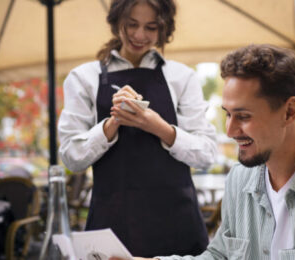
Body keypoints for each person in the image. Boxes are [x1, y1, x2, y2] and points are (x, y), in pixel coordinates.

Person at [121, 44, 295, 260]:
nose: (229, 130)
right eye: (227, 115)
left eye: (243, 116)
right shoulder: (241, 178)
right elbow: (220, 256)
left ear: (289, 111)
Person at [57, 0, 217, 257]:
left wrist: (160, 127)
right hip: (113, 225)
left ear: (164, 29)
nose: (139, 35)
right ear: (116, 21)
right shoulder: (82, 78)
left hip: (177, 224)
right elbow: (71, 157)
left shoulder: (182, 77)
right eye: (131, 24)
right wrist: (113, 123)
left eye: (151, 27)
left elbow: (207, 154)